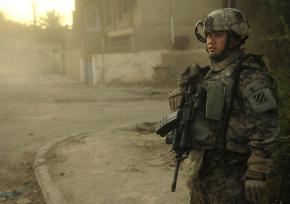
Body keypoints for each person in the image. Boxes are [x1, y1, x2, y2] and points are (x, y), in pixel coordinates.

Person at [168, 8, 279, 204]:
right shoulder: (208, 75)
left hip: (232, 177)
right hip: (202, 174)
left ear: (235, 39)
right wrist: (182, 91)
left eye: (218, 35)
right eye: (208, 35)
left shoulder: (249, 76)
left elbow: (266, 125)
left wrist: (257, 170)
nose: (211, 40)